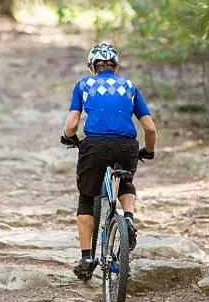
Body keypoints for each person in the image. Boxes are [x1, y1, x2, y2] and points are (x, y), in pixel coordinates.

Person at [61, 43, 157, 280]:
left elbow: (72, 125)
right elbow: (150, 127)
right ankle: (128, 219)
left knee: (86, 196)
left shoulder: (84, 84)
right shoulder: (129, 86)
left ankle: (85, 259)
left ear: (92, 66)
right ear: (115, 66)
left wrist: (70, 138)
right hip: (126, 146)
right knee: (125, 180)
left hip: (95, 146)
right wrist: (149, 151)